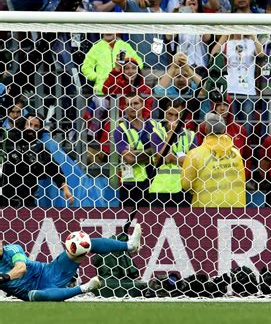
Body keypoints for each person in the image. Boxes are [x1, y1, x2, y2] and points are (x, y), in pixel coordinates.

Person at [0, 224, 142, 301]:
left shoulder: (12, 249)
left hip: (49, 272)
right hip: (32, 292)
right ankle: (85, 288)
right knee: (37, 296)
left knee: (80, 243)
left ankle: (129, 245)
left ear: (1, 242)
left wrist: (3, 277)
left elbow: (21, 268)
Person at [0, 113, 74, 208]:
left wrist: (65, 188)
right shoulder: (9, 140)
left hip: (27, 202)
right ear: (23, 125)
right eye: (29, 124)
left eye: (36, 126)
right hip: (4, 200)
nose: (31, 128)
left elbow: (54, 168)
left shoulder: (40, 150)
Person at [181, 113, 246, 207]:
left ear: (206, 129)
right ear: (224, 130)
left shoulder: (195, 154)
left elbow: (186, 184)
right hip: (235, 207)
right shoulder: (236, 153)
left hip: (206, 208)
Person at [149, 99, 196, 207]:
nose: (173, 118)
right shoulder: (156, 134)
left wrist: (172, 158)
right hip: (160, 189)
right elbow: (161, 159)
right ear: (165, 114)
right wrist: (170, 134)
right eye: (170, 114)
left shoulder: (191, 135)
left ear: (182, 116)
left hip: (183, 188)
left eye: (177, 115)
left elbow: (192, 163)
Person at [113, 94, 155, 208]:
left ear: (142, 105)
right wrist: (151, 152)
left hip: (153, 181)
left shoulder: (154, 126)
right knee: (129, 222)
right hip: (130, 185)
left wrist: (135, 152)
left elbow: (161, 152)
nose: (132, 107)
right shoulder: (120, 130)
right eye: (128, 104)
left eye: (136, 103)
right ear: (124, 108)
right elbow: (130, 159)